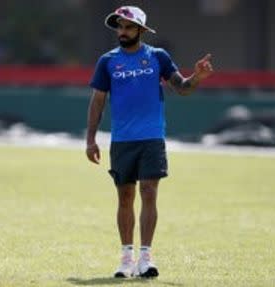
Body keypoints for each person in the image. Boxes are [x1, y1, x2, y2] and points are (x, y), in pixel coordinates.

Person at [86, 6, 214, 278]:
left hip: (152, 138)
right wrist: (90, 139)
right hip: (122, 140)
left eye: (128, 27)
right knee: (125, 198)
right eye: (119, 26)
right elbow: (97, 101)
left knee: (149, 193)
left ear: (141, 30)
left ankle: (145, 257)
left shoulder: (158, 57)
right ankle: (125, 258)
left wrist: (197, 78)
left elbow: (181, 87)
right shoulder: (107, 61)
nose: (122, 31)